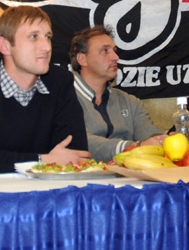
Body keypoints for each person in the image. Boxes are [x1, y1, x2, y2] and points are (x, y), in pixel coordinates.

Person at [0, 5, 90, 172]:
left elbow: (75, 154)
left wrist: (10, 160)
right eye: (34, 37)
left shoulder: (60, 82)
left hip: (46, 187)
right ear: (4, 45)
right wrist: (43, 160)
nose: (47, 47)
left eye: (48, 37)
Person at [70, 26, 165, 161]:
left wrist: (162, 140)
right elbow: (80, 141)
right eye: (105, 51)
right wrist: (133, 147)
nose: (116, 57)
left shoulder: (130, 102)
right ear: (82, 59)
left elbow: (149, 134)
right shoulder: (63, 100)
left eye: (114, 51)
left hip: (127, 172)